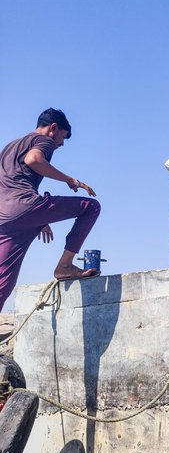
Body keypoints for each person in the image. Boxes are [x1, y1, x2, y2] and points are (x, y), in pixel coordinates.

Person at [0, 108, 101, 311]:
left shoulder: (10, 146)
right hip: (25, 206)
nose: (61, 144)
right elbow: (34, 160)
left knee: (3, 282)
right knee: (91, 207)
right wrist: (71, 180)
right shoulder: (43, 141)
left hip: (5, 217)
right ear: (53, 128)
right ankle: (65, 265)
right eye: (62, 137)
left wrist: (40, 218)